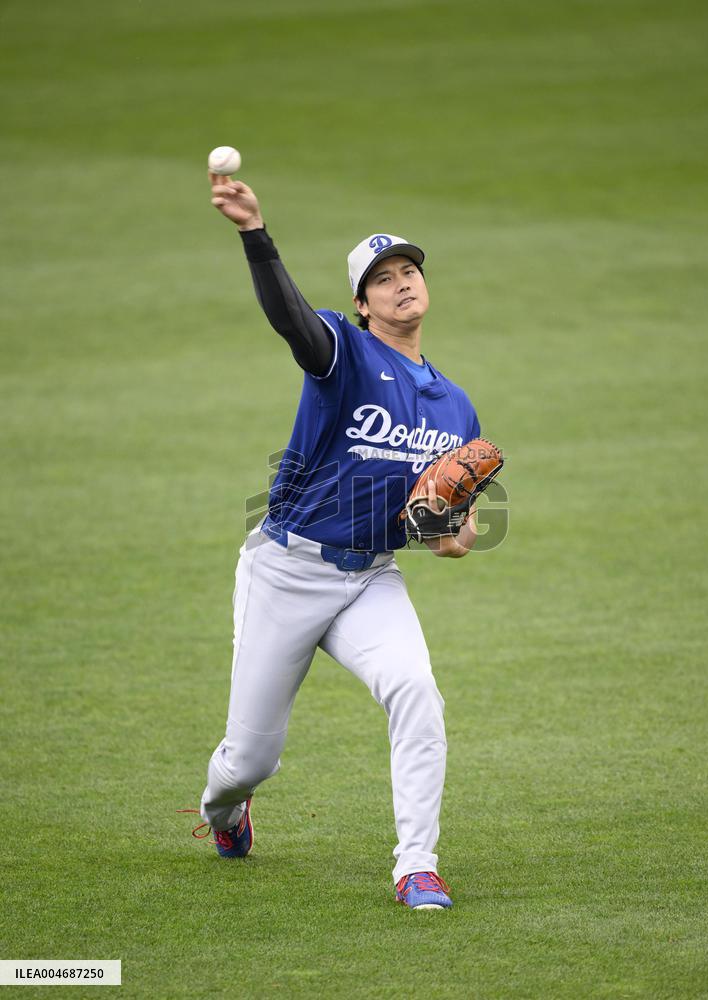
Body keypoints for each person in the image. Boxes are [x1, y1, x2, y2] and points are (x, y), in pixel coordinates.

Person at [192, 169, 484, 911]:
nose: (400, 284)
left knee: (416, 692)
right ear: (361, 305)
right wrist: (254, 233)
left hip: (370, 578)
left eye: (408, 271)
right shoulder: (342, 353)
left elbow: (464, 521)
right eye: (381, 280)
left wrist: (455, 539)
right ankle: (225, 814)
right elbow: (289, 319)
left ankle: (416, 864)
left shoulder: (455, 406)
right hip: (285, 570)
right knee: (247, 760)